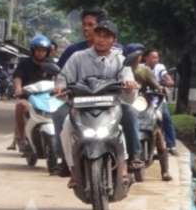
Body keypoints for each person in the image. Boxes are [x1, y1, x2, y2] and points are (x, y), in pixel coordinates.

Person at [57, 17, 143, 187]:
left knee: (122, 124)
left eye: (107, 36)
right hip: (82, 107)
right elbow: (63, 78)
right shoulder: (77, 57)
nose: (102, 40)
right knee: (66, 127)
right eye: (99, 35)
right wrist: (60, 87)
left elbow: (127, 78)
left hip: (110, 107)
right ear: (93, 37)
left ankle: (126, 165)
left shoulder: (120, 60)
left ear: (114, 40)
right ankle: (73, 171)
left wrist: (129, 85)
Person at [124, 44, 172, 181]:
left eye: (138, 55)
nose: (137, 57)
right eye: (135, 54)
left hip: (143, 104)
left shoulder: (144, 70)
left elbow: (156, 85)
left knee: (157, 126)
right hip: (125, 104)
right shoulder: (120, 69)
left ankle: (165, 170)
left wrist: (161, 89)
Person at [7, 34, 55, 152]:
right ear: (33, 50)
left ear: (47, 52)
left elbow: (59, 77)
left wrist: (60, 88)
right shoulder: (25, 63)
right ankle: (22, 138)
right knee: (20, 106)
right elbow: (17, 77)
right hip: (28, 97)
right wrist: (18, 88)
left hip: (46, 98)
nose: (40, 53)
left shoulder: (51, 64)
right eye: (38, 50)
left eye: (43, 51)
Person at [143, 49, 177, 151]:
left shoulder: (160, 67)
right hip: (144, 99)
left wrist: (169, 81)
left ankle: (171, 145)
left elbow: (165, 76)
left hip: (158, 99)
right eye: (153, 57)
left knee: (166, 118)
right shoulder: (141, 68)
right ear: (146, 57)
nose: (155, 60)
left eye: (157, 57)